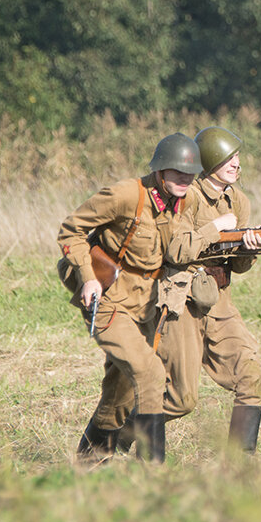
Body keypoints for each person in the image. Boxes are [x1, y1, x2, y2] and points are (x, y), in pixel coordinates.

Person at [58, 132, 201, 463]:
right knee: (151, 372)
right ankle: (152, 471)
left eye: (190, 173)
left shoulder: (187, 200)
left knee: (120, 394)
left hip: (145, 307)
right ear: (160, 170)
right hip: (107, 301)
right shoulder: (124, 196)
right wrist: (88, 278)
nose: (185, 179)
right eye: (178, 172)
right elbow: (71, 231)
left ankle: (89, 461)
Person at [160, 126, 261, 452]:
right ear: (210, 160)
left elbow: (237, 265)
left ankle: (239, 466)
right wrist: (215, 229)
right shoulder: (186, 195)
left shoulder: (239, 201)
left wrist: (248, 249)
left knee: (251, 378)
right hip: (185, 301)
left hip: (219, 301)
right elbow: (174, 250)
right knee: (182, 399)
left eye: (237, 157)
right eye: (227, 158)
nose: (236, 163)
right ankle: (128, 429)